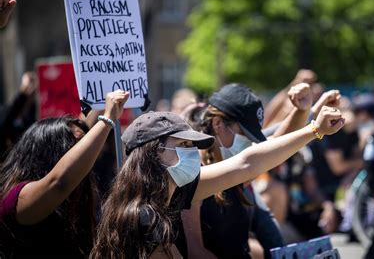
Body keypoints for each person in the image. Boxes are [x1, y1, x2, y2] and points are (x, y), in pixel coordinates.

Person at [91, 103, 344, 258]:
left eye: (192, 145)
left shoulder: (178, 189)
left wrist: (315, 130)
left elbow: (247, 163)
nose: (192, 153)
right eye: (183, 144)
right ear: (154, 152)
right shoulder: (143, 217)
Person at [181, 83, 312, 259]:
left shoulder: (239, 170)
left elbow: (279, 143)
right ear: (218, 124)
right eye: (244, 135)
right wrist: (315, 129)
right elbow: (194, 251)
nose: (249, 144)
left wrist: (302, 110)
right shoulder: (191, 173)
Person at [0, 90, 129, 258]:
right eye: (75, 146)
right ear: (49, 151)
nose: (84, 154)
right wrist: (107, 120)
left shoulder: (76, 200)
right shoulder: (15, 198)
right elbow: (59, 182)